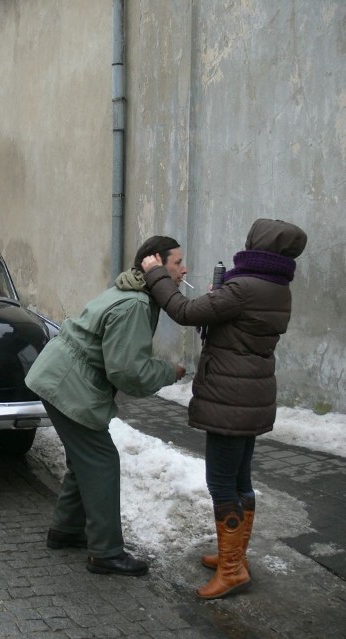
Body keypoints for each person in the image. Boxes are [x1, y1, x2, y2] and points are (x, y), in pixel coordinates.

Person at [142, 218, 307, 599]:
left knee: (221, 483)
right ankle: (236, 556)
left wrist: (156, 275)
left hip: (230, 397)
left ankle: (232, 570)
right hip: (251, 393)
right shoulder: (276, 286)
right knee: (240, 480)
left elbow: (185, 311)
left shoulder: (245, 287)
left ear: (259, 245)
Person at [25, 236, 187, 576]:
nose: (184, 270)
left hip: (59, 378)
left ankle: (66, 531)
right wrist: (167, 372)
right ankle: (106, 552)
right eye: (177, 263)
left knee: (85, 460)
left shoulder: (130, 291)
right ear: (155, 262)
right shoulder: (135, 305)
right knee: (101, 462)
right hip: (68, 385)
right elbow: (127, 371)